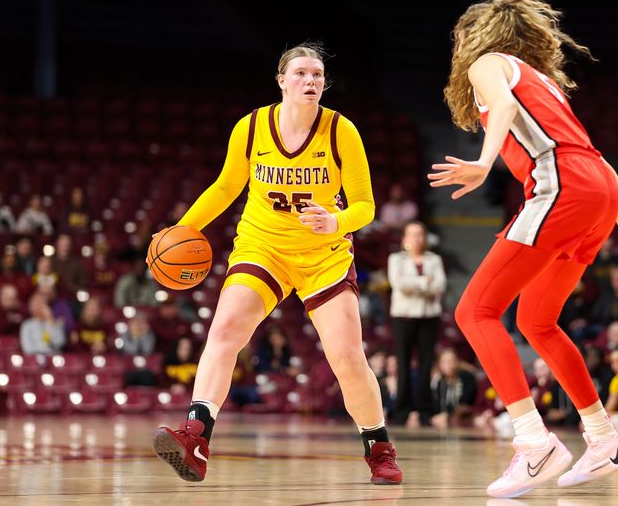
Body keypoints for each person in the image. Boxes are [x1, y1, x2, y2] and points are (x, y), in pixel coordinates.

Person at [429, 0, 618, 497]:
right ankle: (605, 437)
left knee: (474, 312)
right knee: (536, 321)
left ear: (477, 35)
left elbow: (502, 105)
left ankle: (533, 440)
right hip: (595, 193)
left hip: (561, 189)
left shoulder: (489, 63)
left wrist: (484, 161)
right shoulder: (544, 82)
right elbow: (598, 162)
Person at [152, 44, 402, 485]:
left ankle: (378, 447)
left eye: (318, 75)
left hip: (323, 255)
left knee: (346, 356)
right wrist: (182, 229)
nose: (311, 81)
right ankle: (195, 435)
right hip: (261, 246)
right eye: (302, 73)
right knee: (225, 330)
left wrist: (337, 220)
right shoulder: (251, 128)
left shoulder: (342, 131)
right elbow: (226, 186)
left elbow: (365, 205)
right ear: (282, 80)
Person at [387, 220, 446, 425]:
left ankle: (425, 410)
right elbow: (399, 284)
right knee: (402, 363)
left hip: (429, 316)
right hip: (403, 316)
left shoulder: (434, 259)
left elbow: (439, 285)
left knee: (426, 363)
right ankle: (402, 410)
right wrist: (424, 282)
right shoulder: (396, 259)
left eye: (420, 234)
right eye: (411, 234)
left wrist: (414, 283)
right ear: (404, 238)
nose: (416, 238)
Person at [429, 348, 478, 429]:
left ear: (458, 362)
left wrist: (449, 415)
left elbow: (466, 404)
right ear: (439, 364)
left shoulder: (467, 378)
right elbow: (434, 406)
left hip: (466, 419)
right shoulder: (437, 382)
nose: (450, 364)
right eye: (445, 362)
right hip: (442, 420)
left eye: (452, 360)